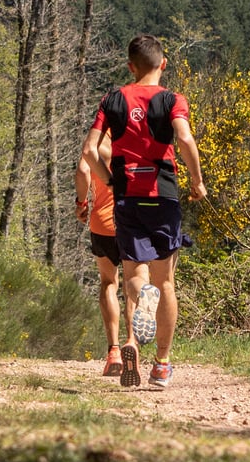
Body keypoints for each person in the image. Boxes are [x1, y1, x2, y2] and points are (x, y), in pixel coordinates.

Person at [82, 34, 207, 390]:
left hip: (127, 197)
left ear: (130, 67)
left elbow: (90, 149)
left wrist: (108, 180)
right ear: (163, 64)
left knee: (135, 277)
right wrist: (197, 180)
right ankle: (162, 365)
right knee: (165, 281)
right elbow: (183, 138)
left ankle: (134, 334)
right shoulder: (172, 100)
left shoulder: (113, 99)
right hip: (163, 194)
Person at [74, 131, 127, 379]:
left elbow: (84, 171)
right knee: (137, 281)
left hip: (104, 222)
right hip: (134, 219)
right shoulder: (137, 136)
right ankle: (133, 343)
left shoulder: (98, 141)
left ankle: (114, 350)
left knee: (109, 282)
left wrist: (82, 203)